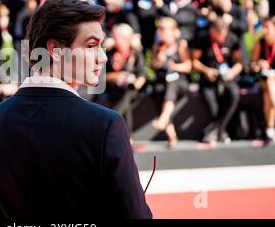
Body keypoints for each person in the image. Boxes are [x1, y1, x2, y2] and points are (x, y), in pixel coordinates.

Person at [0, 0, 152, 219]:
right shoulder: (104, 126)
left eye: (102, 46)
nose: (103, 57)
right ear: (56, 50)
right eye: (92, 46)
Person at [192, 17, 243, 144]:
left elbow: (239, 63)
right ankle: (221, 131)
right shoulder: (203, 39)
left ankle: (215, 130)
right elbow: (194, 62)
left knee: (234, 94)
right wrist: (206, 70)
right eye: (217, 34)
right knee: (210, 101)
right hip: (209, 78)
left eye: (222, 33)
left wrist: (232, 72)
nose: (220, 37)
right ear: (211, 31)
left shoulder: (232, 39)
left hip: (226, 77)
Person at [150, 17, 192, 148]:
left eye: (163, 29)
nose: (160, 32)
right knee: (157, 89)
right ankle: (171, 135)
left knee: (171, 84)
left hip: (179, 81)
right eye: (159, 29)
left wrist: (173, 66)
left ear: (173, 31)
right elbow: (152, 65)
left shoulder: (181, 44)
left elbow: (188, 66)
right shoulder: (158, 46)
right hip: (163, 81)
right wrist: (158, 61)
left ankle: (164, 118)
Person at [104, 23, 146, 132]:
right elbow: (100, 77)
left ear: (123, 38)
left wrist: (135, 83)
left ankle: (111, 121)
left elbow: (142, 75)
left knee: (127, 92)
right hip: (112, 89)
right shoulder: (109, 53)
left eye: (114, 36)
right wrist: (115, 77)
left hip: (132, 90)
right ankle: (127, 136)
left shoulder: (135, 53)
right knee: (124, 95)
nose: (112, 38)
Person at [250, 17, 275, 141]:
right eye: (263, 27)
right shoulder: (260, 43)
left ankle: (270, 128)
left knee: (268, 94)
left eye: (268, 28)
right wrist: (259, 64)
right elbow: (251, 65)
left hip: (273, 82)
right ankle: (270, 128)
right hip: (263, 80)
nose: (264, 31)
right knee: (270, 84)